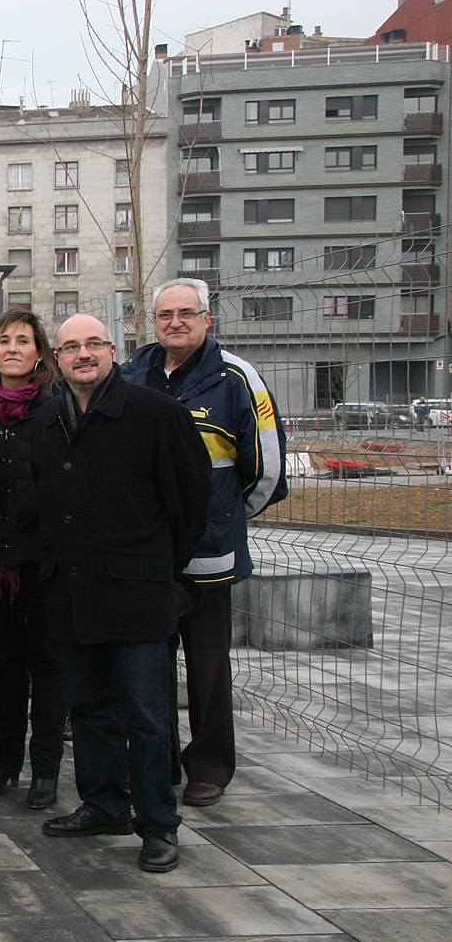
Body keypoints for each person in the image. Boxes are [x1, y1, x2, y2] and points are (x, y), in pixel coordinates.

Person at [33, 315, 211, 873]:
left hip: (137, 593)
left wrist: (159, 566)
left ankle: (157, 823)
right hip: (71, 591)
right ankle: (104, 804)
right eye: (71, 347)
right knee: (88, 708)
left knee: (147, 716)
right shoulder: (47, 420)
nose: (82, 354)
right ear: (57, 360)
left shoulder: (156, 413)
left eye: (93, 344)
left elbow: (190, 500)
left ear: (114, 350)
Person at [118, 278, 286, 808]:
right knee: (148, 666)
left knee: (208, 667)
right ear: (153, 321)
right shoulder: (131, 375)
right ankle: (158, 761)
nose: (175, 322)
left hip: (210, 554)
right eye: (165, 314)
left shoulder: (236, 379)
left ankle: (210, 764)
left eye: (186, 313)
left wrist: (224, 516)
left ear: (207, 319)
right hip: (147, 555)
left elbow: (266, 470)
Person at [0, 311, 64, 810]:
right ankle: (2, 765)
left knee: (47, 664)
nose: (12, 349)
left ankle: (45, 770)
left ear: (39, 352)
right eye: (4, 340)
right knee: (7, 664)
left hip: (44, 560)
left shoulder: (56, 409)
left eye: (23, 341)